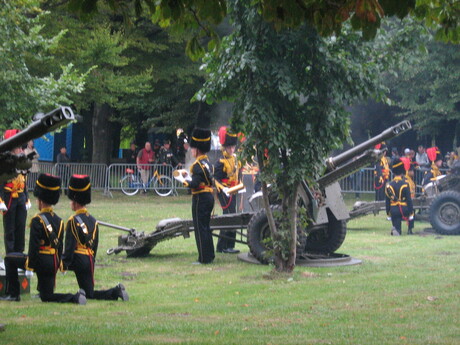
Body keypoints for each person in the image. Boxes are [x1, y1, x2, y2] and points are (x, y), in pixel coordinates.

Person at [0, 174, 86, 304]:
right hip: (53, 263)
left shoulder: (37, 220)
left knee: (9, 259)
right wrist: (60, 265)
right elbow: (60, 246)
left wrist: (30, 266)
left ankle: (13, 294)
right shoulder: (59, 220)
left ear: (40, 201)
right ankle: (75, 297)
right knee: (47, 296)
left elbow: (33, 247)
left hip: (40, 262)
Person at [62, 175, 129, 301]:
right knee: (90, 294)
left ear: (75, 201)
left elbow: (70, 247)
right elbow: (95, 246)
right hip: (89, 260)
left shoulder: (72, 221)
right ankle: (115, 292)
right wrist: (92, 261)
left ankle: (46, 290)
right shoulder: (93, 221)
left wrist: (63, 265)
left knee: (50, 263)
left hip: (77, 259)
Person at [174, 128, 215, 264]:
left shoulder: (197, 165)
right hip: (208, 197)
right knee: (206, 227)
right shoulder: (208, 163)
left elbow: (195, 183)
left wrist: (183, 180)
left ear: (197, 149)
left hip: (200, 198)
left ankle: (203, 258)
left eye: (193, 148)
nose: (191, 150)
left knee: (199, 228)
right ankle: (210, 255)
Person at [0, 129, 31, 254]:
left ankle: (19, 253)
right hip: (9, 196)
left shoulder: (21, 159)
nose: (20, 149)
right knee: (10, 229)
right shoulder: (4, 161)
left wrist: (27, 198)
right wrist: (1, 200)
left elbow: (24, 180)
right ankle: (11, 255)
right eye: (17, 146)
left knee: (20, 227)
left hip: (20, 197)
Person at [214, 126, 241, 254]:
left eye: (233, 147)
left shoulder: (236, 159)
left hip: (234, 190)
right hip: (224, 191)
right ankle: (222, 246)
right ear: (225, 147)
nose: (232, 149)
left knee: (234, 216)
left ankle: (230, 244)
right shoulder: (220, 162)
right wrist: (223, 189)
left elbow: (238, 175)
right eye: (229, 147)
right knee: (227, 217)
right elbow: (216, 179)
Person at [385, 158, 414, 236]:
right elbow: (409, 200)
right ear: (402, 172)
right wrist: (411, 212)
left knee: (396, 218)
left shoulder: (388, 185)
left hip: (394, 210)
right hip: (404, 209)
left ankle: (397, 229)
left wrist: (388, 213)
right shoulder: (405, 184)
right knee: (411, 214)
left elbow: (387, 202)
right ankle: (410, 230)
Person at [401, 157, 416, 234]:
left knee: (412, 215)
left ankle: (410, 229)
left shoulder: (409, 180)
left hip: (411, 200)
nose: (413, 172)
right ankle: (409, 230)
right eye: (412, 171)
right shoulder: (406, 181)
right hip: (407, 202)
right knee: (411, 215)